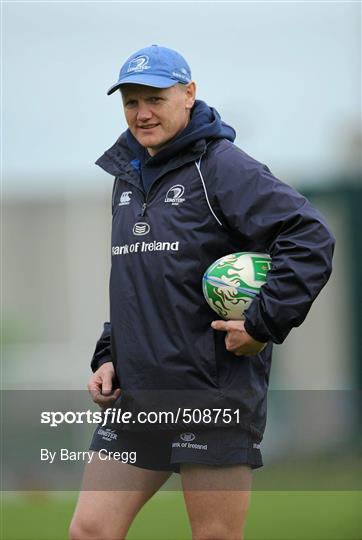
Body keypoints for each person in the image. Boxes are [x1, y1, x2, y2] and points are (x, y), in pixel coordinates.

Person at [69, 45, 335, 540]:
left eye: (155, 98)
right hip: (138, 395)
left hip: (210, 396)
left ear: (188, 95)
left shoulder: (221, 167)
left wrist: (263, 323)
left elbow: (310, 235)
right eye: (131, 102)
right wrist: (109, 355)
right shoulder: (127, 178)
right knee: (90, 531)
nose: (142, 113)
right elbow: (137, 284)